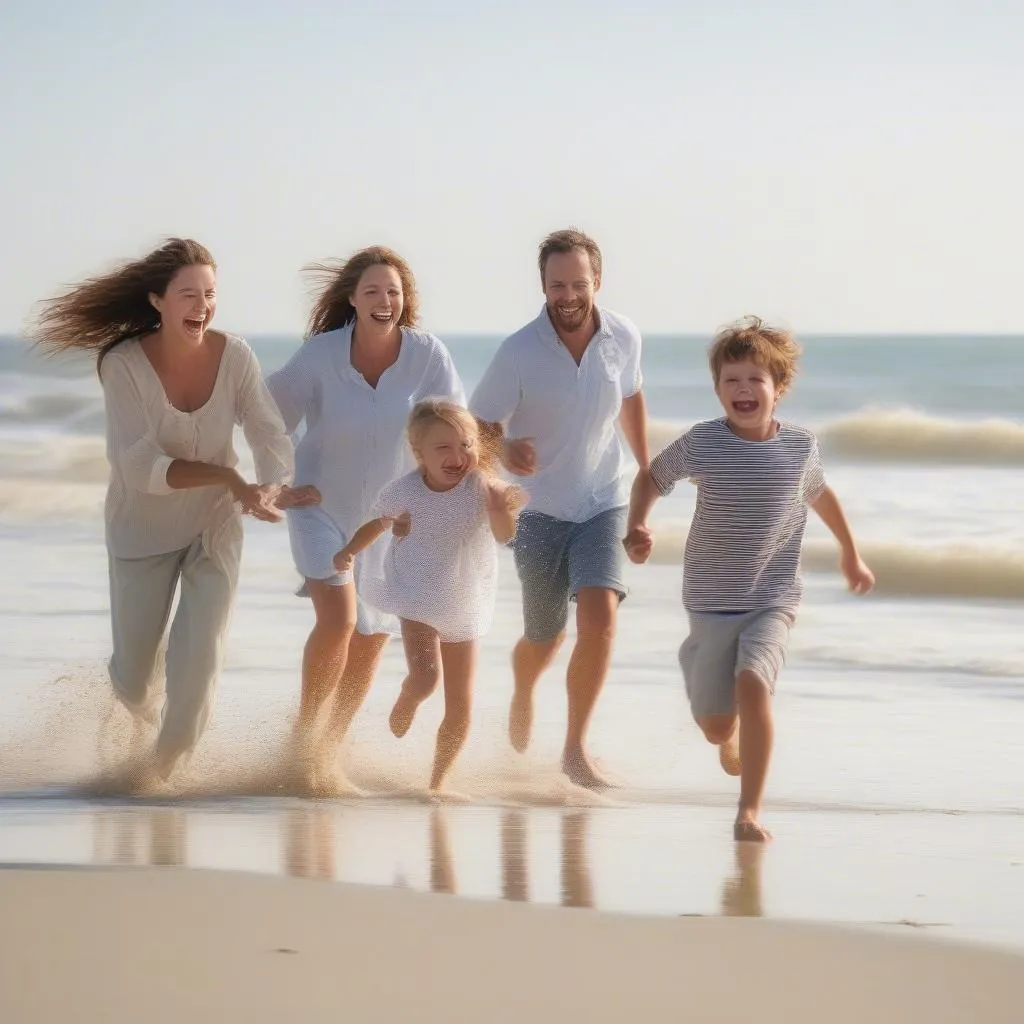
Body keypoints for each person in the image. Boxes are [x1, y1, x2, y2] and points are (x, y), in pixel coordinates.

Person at [30, 238, 313, 782]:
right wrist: (231, 477)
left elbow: (266, 429)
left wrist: (272, 485)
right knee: (136, 681)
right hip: (142, 529)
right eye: (189, 294)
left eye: (210, 293)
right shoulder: (123, 365)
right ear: (158, 300)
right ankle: (137, 726)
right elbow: (140, 465)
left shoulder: (236, 356)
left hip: (213, 525)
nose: (203, 305)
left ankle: (162, 777)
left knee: (201, 660)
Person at [623, 316, 875, 842]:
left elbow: (821, 495)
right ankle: (720, 717)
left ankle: (749, 811)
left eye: (754, 380)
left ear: (777, 389)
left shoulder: (801, 446)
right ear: (717, 389)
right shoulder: (703, 443)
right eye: (731, 380)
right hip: (710, 600)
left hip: (773, 598)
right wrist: (638, 524)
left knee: (755, 684)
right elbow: (651, 478)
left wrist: (851, 555)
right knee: (716, 724)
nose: (742, 390)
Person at [266, 247, 465, 789]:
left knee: (372, 636)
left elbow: (455, 427)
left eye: (394, 292)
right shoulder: (321, 355)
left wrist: (469, 492)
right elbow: (267, 416)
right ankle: (302, 744)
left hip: (389, 521)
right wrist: (274, 485)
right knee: (340, 620)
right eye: (373, 291)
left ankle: (325, 755)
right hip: (320, 509)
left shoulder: (426, 355)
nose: (385, 301)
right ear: (352, 298)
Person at [470, 228, 649, 790]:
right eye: (556, 285)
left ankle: (574, 750)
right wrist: (504, 449)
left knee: (600, 617)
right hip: (538, 512)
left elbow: (631, 396)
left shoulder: (623, 336)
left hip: (603, 499)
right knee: (544, 637)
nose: (568, 295)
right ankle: (523, 688)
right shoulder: (518, 351)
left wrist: (647, 467)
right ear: (542, 285)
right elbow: (475, 427)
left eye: (578, 283)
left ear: (597, 281)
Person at [336, 400, 524, 795]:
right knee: (426, 680)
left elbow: (507, 533)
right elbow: (379, 523)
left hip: (464, 602)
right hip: (417, 594)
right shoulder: (404, 491)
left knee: (461, 703)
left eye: (467, 445)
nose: (459, 457)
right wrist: (350, 550)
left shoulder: (482, 486)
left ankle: (438, 783)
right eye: (444, 448)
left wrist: (502, 507)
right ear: (419, 453)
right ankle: (409, 696)